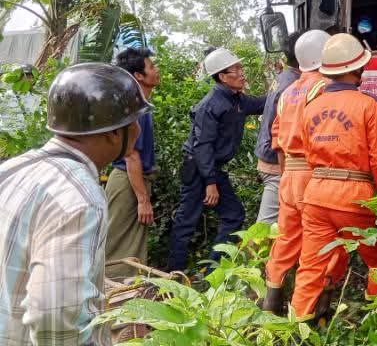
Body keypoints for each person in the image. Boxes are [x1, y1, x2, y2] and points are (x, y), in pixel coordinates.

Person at [0, 63, 150, 345]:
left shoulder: (14, 168)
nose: (138, 129)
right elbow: (57, 321)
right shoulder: (80, 198)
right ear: (113, 133)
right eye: (134, 121)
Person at [290, 33, 377, 320]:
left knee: (311, 267)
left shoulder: (311, 107)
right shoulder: (368, 105)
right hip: (356, 197)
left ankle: (296, 329)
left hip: (316, 196)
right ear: (355, 69)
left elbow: (308, 154)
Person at [167, 48, 267, 272]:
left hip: (211, 167)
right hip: (199, 168)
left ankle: (213, 272)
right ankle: (174, 276)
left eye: (242, 68)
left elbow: (263, 103)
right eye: (237, 69)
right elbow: (202, 146)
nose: (242, 73)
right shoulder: (210, 105)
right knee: (187, 220)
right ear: (222, 76)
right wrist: (210, 183)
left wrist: (285, 86)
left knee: (233, 215)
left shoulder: (237, 100)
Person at [263, 29, 332, 315]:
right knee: (319, 243)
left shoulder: (288, 91)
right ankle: (311, 313)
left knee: (286, 239)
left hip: (289, 174)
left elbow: (276, 138)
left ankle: (271, 304)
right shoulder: (324, 88)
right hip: (312, 174)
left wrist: (284, 178)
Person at [104, 48, 161, 280]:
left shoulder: (138, 104)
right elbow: (131, 156)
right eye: (151, 67)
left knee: (131, 243)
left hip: (130, 180)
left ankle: (127, 296)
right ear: (139, 76)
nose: (156, 71)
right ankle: (113, 298)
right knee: (118, 246)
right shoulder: (135, 107)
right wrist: (142, 199)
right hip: (127, 180)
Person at [255, 32, 302, 224]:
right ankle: (248, 254)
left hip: (269, 154)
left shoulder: (285, 76)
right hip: (276, 162)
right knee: (265, 228)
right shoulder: (294, 84)